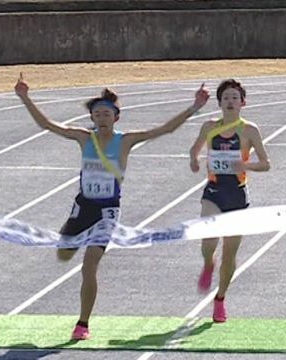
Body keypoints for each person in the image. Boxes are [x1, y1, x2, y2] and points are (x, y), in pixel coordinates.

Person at [15, 73, 209, 340]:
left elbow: (164, 129)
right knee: (63, 253)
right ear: (92, 118)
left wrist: (194, 108)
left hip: (107, 212)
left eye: (107, 114)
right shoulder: (84, 138)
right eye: (98, 114)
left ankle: (82, 324)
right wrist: (25, 98)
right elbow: (47, 125)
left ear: (116, 117)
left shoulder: (125, 141)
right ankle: (69, 247)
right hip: (82, 207)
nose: (102, 118)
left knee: (90, 265)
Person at [189, 79, 270, 323]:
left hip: (237, 193)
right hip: (214, 191)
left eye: (235, 97)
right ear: (220, 103)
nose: (230, 102)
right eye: (226, 98)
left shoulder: (249, 130)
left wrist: (245, 165)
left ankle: (220, 299)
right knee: (208, 243)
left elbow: (266, 164)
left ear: (242, 102)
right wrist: (194, 160)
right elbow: (194, 150)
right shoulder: (209, 127)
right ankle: (207, 263)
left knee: (230, 253)